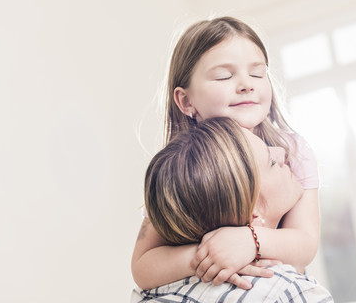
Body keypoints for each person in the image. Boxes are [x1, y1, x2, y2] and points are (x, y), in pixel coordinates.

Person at [132, 16, 319, 290]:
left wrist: (249, 242)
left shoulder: (291, 151)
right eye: (224, 76)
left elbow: (305, 244)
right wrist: (210, 254)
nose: (247, 84)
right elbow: (143, 267)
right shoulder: (182, 169)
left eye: (257, 73)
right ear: (186, 100)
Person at [131, 117, 332, 302]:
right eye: (271, 162)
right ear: (254, 215)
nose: (283, 151)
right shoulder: (291, 293)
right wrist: (212, 254)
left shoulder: (148, 293)